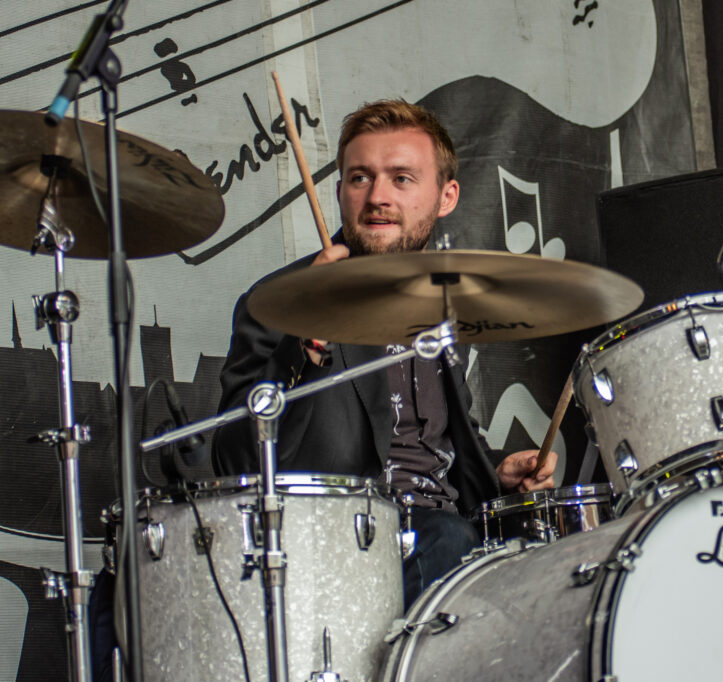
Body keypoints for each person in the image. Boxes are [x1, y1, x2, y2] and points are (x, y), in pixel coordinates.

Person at [211, 99, 558, 606]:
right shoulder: (278, 301)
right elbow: (233, 460)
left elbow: (431, 442)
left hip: (448, 532)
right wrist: (307, 338)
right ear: (340, 192)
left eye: (401, 179)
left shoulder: (442, 301)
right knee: (450, 539)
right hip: (347, 547)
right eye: (360, 178)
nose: (377, 197)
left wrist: (498, 471)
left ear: (446, 197)